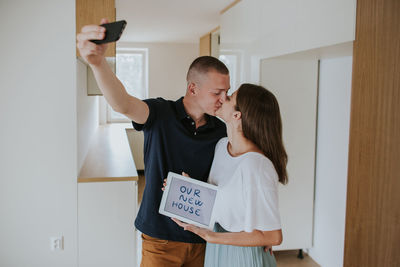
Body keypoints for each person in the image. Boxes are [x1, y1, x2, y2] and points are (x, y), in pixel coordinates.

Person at [77, 18, 230, 267]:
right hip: (160, 240)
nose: (224, 99)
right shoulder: (160, 113)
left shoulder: (222, 130)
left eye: (227, 92)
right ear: (193, 89)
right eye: (217, 93)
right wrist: (97, 64)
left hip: (204, 239)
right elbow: (122, 103)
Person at [172, 83, 288, 267]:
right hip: (217, 250)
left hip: (243, 256)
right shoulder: (221, 146)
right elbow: (224, 203)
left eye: (230, 97)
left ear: (237, 115)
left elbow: (273, 235)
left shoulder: (257, 166)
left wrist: (213, 236)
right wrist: (189, 189)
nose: (222, 98)